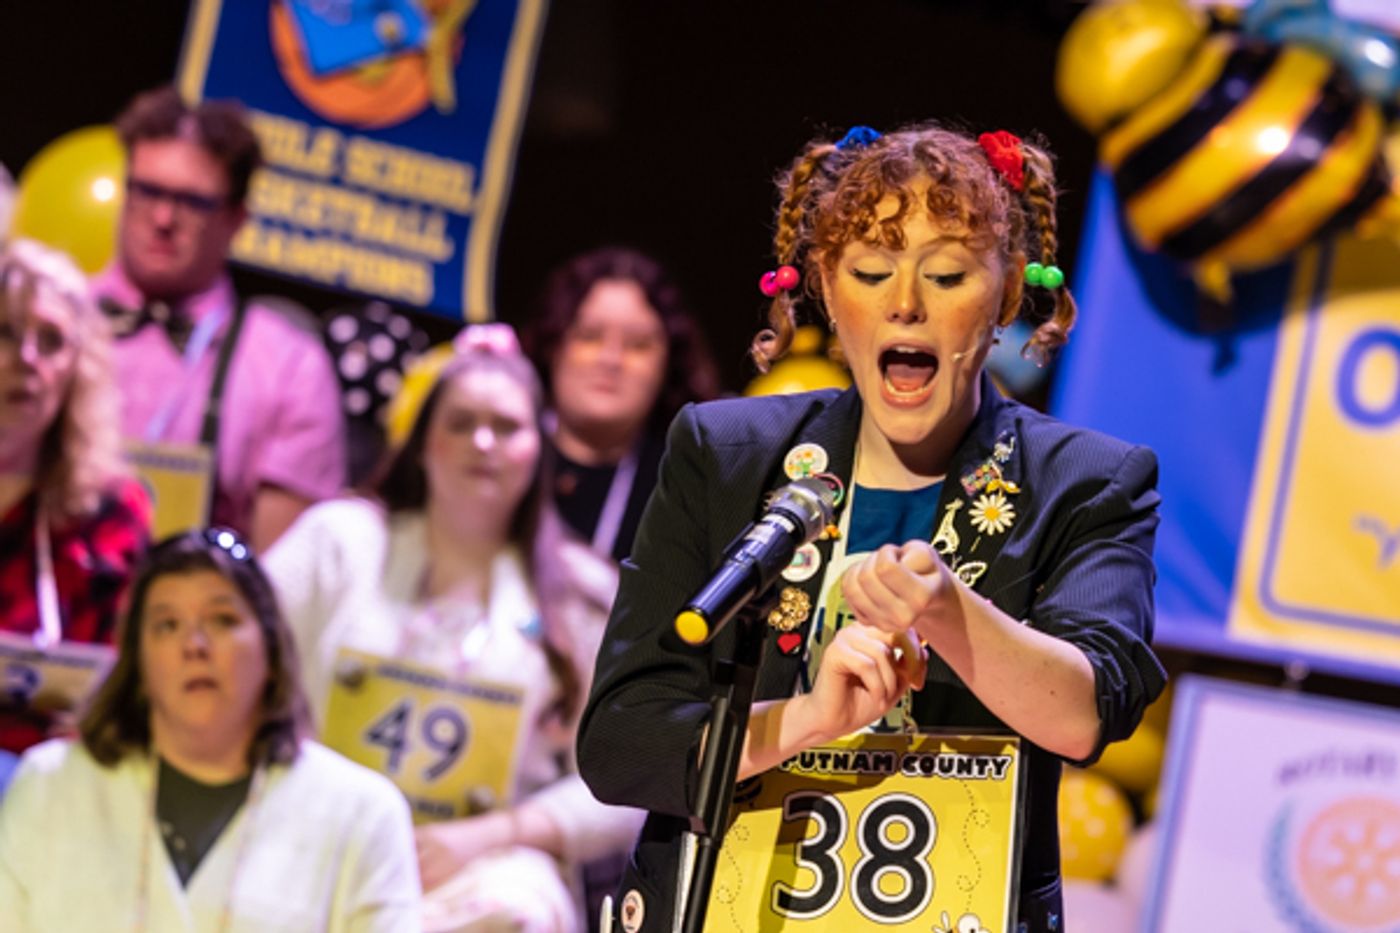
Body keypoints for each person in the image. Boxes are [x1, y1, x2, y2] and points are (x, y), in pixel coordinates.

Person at [576, 123, 1167, 930]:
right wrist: (808, 718)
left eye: (949, 273)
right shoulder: (726, 454)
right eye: (870, 270)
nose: (906, 302)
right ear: (823, 282)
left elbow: (1085, 711)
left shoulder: (1087, 480)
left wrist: (947, 612)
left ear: (1002, 296)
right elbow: (620, 741)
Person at [264, 323, 643, 932]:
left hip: (477, 870)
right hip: (314, 839)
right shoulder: (336, 543)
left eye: (507, 426)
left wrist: (484, 836)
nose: (483, 442)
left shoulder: (583, 594)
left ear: (537, 449)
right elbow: (238, 668)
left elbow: (625, 783)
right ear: (423, 443)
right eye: (461, 423)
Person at [0, 527, 421, 931]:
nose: (194, 646)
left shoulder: (364, 814)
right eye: (167, 625)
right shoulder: (50, 784)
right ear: (139, 662)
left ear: (271, 651)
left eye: (221, 620)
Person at [92, 85, 345, 552]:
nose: (163, 218)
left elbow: (275, 584)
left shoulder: (290, 368)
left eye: (192, 201)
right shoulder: (45, 325)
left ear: (236, 218)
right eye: (147, 191)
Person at [0, 238, 149, 784]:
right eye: (7, 334)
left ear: (78, 367)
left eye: (52, 341)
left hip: (45, 778)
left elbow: (127, 678)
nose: (28, 361)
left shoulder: (112, 511)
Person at [522, 247, 719, 564]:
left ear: (669, 365)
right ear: (553, 345)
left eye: (638, 345)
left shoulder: (687, 493)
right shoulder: (501, 455)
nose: (611, 359)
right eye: (589, 336)